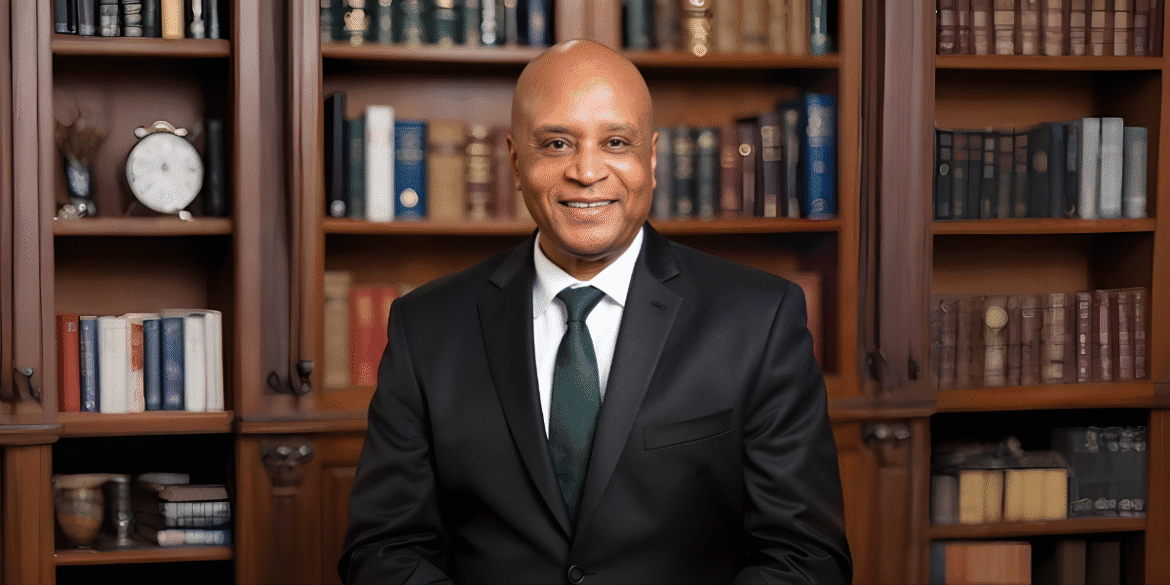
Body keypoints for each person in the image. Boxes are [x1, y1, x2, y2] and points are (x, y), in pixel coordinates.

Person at [339, 39, 851, 585]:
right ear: (514, 160)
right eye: (557, 143)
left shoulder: (759, 320)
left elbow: (805, 558)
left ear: (650, 158)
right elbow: (384, 550)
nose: (587, 171)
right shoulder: (426, 327)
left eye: (615, 142)